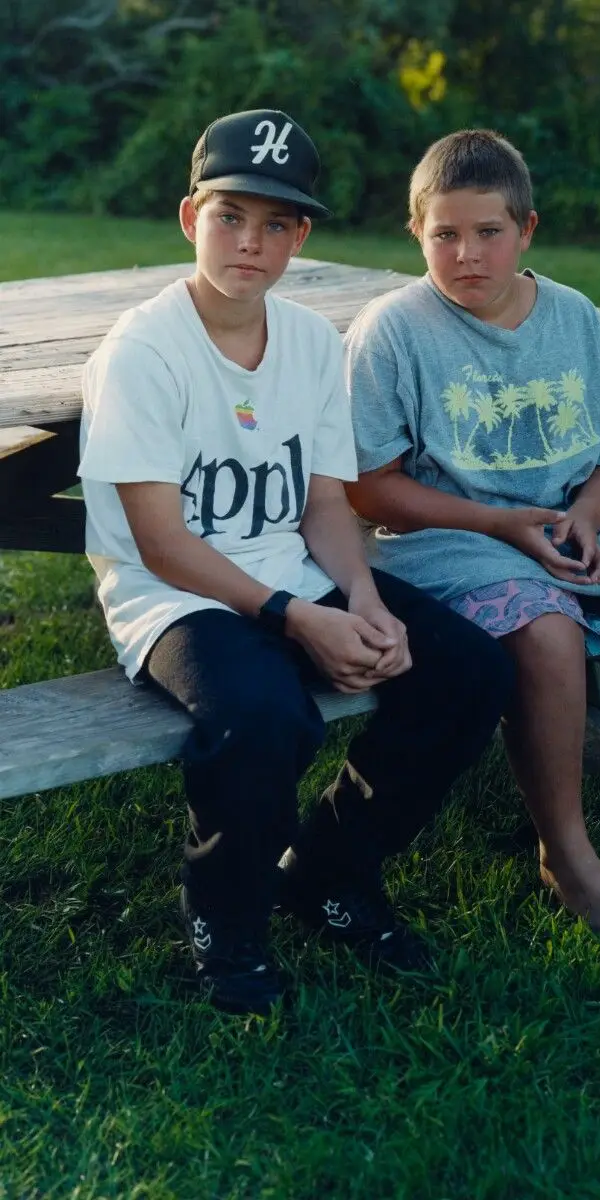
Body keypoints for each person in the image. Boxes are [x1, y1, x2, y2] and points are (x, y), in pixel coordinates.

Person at [78, 110, 514, 1015]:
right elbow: (159, 542)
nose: (252, 241)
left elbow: (323, 503)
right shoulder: (142, 351)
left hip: (299, 573)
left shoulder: (314, 342)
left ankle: (328, 873)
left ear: (301, 236)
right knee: (264, 719)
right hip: (176, 598)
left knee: (467, 670)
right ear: (189, 216)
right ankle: (226, 923)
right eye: (232, 215)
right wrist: (294, 616)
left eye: (277, 223)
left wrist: (361, 596)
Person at [344, 129, 600, 952]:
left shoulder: (573, 319)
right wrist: (497, 522)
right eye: (444, 234)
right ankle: (566, 851)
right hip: (452, 535)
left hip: (571, 519)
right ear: (415, 232)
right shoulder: (393, 330)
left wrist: (590, 514)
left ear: (527, 230)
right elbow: (367, 487)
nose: (466, 255)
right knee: (547, 631)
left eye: (488, 232)